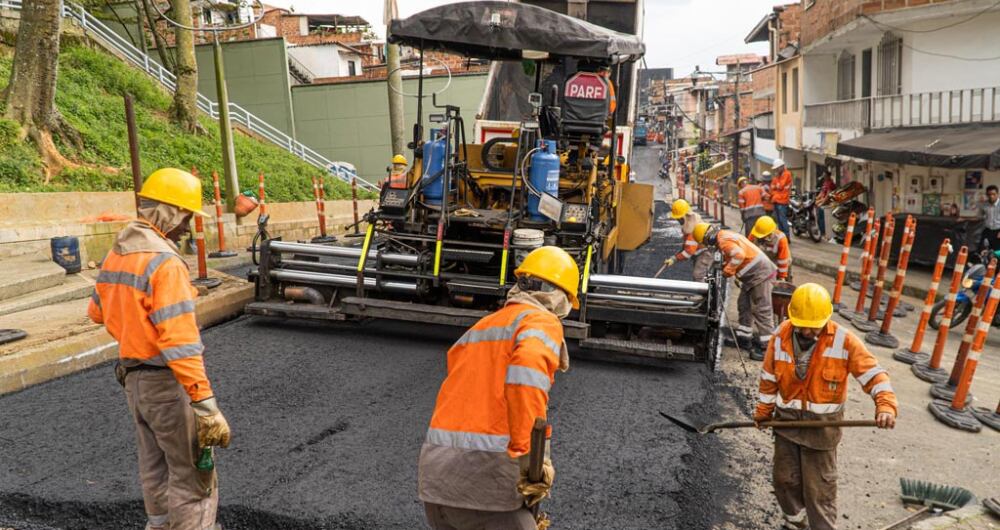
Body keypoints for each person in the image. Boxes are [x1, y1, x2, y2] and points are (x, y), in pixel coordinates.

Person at [88, 168, 230, 530]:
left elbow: (96, 312)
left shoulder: (117, 253)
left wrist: (134, 329)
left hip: (135, 382)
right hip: (167, 384)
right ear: (167, 211)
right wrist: (205, 404)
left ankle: (160, 526)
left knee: (154, 465)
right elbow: (180, 341)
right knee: (194, 473)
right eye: (185, 216)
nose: (186, 227)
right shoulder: (165, 263)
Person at [418, 246, 579, 530]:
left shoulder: (480, 329)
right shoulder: (540, 321)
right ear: (558, 297)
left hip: (437, 482)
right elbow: (526, 379)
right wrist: (533, 464)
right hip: (485, 489)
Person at [755, 283, 897, 530]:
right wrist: (763, 412)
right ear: (792, 316)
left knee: (819, 491)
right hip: (785, 424)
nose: (809, 331)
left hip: (822, 432)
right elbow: (769, 378)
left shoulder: (844, 340)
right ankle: (795, 522)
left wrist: (885, 406)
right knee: (784, 481)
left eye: (815, 326)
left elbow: (874, 374)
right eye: (804, 325)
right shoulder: (780, 337)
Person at [693, 222, 776, 360]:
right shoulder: (724, 237)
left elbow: (738, 255)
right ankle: (744, 339)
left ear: (708, 237)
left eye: (706, 242)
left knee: (762, 310)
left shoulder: (723, 240)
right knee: (744, 306)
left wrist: (728, 270)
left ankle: (768, 349)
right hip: (752, 277)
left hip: (761, 275)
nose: (708, 245)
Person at [661, 199, 713, 281]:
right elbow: (686, 246)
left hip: (706, 253)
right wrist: (673, 258)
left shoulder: (692, 229)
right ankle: (709, 289)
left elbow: (688, 252)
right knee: (704, 274)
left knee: (698, 276)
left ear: (685, 216)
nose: (678, 220)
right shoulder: (692, 222)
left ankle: (701, 292)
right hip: (704, 251)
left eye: (679, 218)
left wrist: (675, 258)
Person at [750, 216, 792, 281]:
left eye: (764, 236)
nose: (761, 238)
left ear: (771, 233)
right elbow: (748, 253)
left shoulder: (780, 239)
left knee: (783, 286)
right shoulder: (754, 234)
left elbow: (783, 260)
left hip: (779, 264)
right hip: (762, 264)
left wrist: (782, 277)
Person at [770, 159, 793, 239]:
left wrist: (776, 186)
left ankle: (786, 237)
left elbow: (780, 186)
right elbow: (772, 187)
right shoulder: (778, 176)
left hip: (782, 201)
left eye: (777, 168)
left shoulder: (786, 174)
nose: (776, 170)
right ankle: (782, 237)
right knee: (779, 221)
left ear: (781, 167)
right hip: (777, 200)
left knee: (783, 220)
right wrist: (776, 186)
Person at [816, 171, 837, 241]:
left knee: (822, 218)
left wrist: (822, 203)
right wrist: (817, 199)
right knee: (819, 218)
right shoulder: (825, 183)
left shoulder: (831, 184)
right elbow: (822, 193)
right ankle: (821, 232)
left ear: (828, 176)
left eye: (825, 175)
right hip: (824, 202)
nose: (823, 177)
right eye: (823, 175)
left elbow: (828, 196)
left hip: (828, 203)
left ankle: (824, 233)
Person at [979, 184, 1000, 252]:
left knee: (997, 251)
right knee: (982, 249)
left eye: (993, 194)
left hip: (998, 231)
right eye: (989, 194)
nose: (991, 196)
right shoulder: (984, 204)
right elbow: (980, 216)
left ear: (997, 194)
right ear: (987, 195)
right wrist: (964, 219)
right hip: (987, 230)